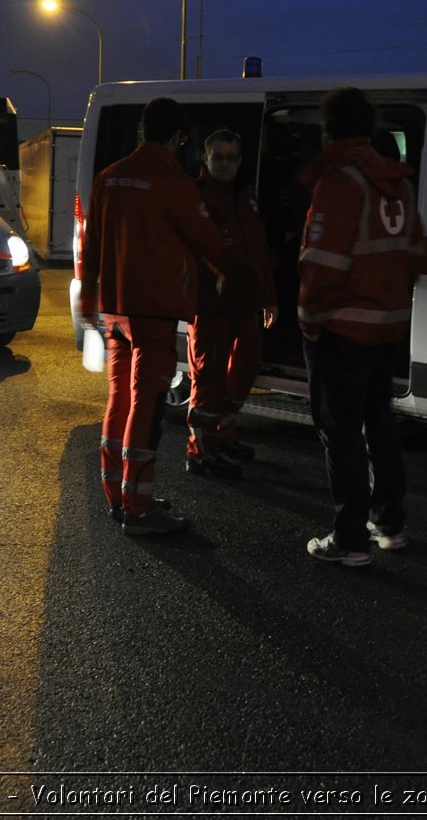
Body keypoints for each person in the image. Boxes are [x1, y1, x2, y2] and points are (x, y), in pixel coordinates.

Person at [78, 98, 227, 536]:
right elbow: (210, 244)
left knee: (118, 400)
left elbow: (90, 246)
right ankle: (139, 508)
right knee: (146, 406)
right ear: (178, 137)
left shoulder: (108, 178)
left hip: (115, 310)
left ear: (144, 129)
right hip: (155, 312)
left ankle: (118, 497)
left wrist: (88, 299)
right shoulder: (172, 183)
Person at [296, 88, 423, 567]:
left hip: (343, 329)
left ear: (329, 128)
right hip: (387, 327)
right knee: (379, 423)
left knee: (340, 430)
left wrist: (309, 322)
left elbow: (324, 264)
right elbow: (413, 252)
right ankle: (389, 524)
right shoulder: (397, 181)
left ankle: (348, 539)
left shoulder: (340, 180)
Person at [185, 129, 276, 478]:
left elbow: (258, 251)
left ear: (240, 161)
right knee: (207, 377)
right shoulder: (197, 196)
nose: (225, 163)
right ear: (206, 160)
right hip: (210, 304)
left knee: (244, 370)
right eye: (218, 157)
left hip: (245, 301)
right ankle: (201, 452)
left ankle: (223, 435)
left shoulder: (244, 195)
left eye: (231, 157)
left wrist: (269, 298)